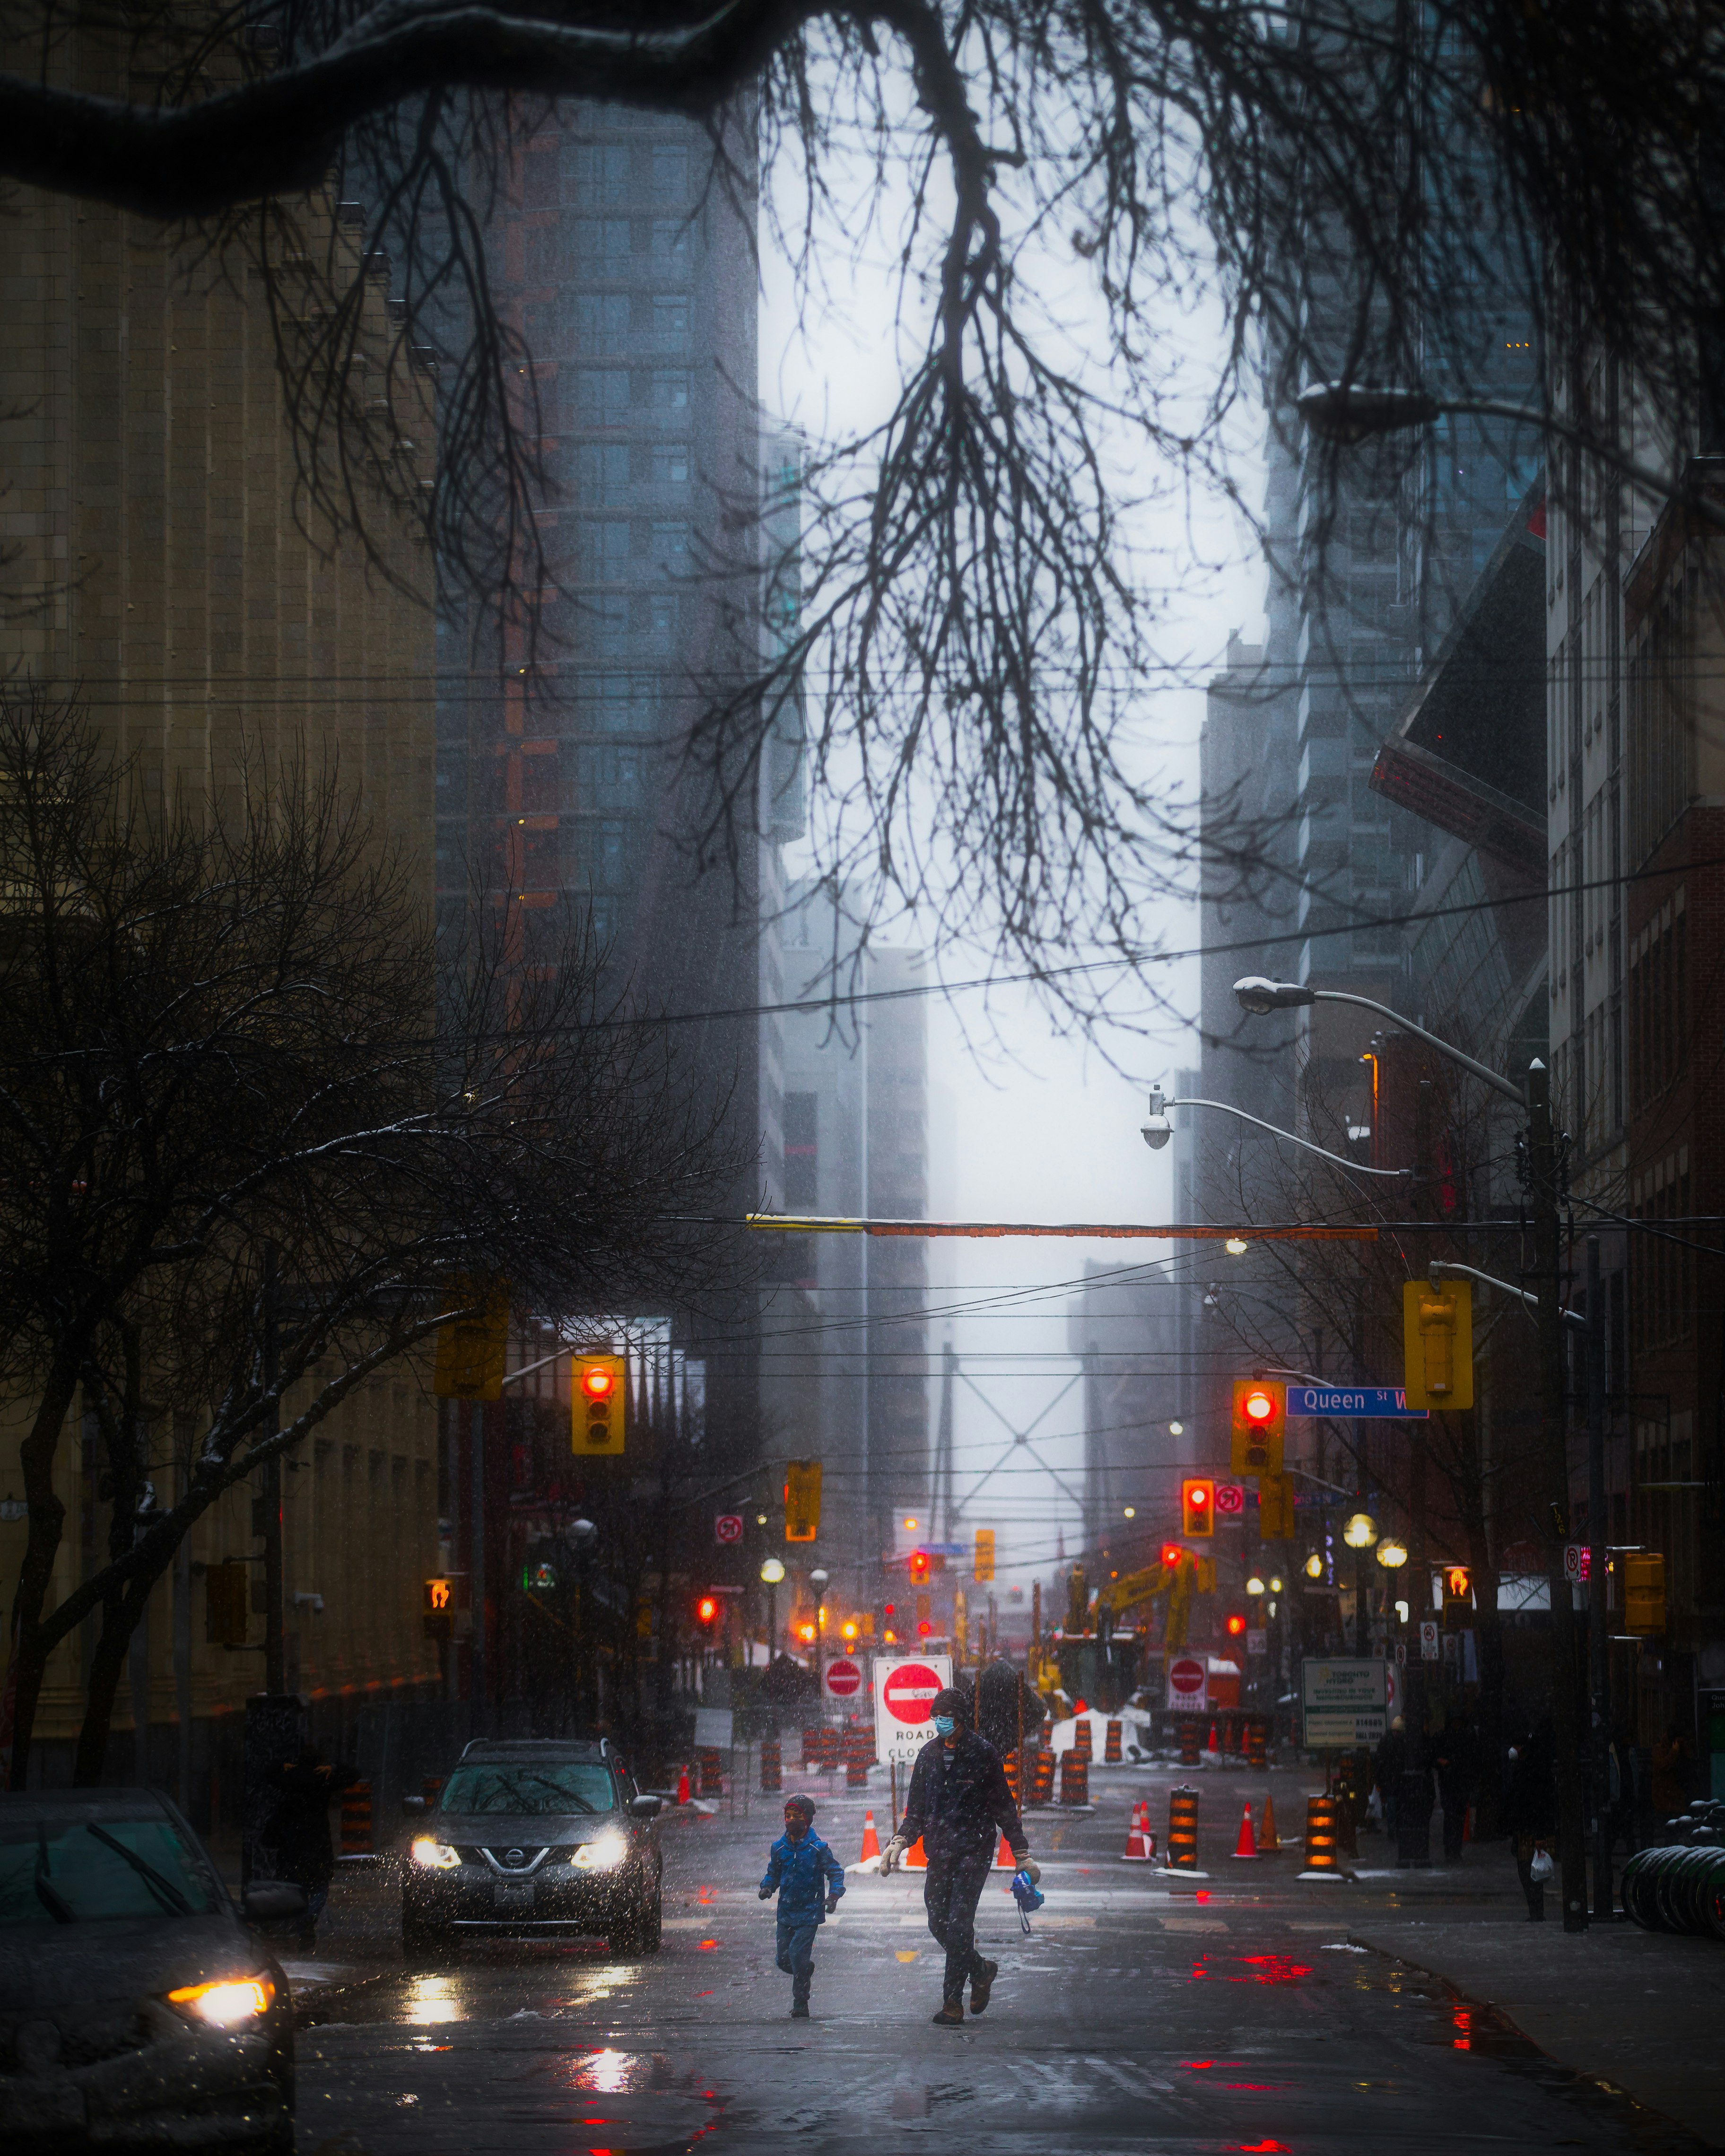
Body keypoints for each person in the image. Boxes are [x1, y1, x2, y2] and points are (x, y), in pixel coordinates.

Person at [879, 1685, 1039, 2026]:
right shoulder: (928, 1756)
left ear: (961, 1719)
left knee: (959, 1924)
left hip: (974, 1849)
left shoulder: (983, 1754)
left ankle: (952, 2002)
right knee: (937, 1921)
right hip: (939, 1850)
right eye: (936, 1717)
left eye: (946, 1718)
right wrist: (899, 1841)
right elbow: (917, 1810)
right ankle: (980, 1969)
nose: (940, 1723)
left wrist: (1021, 1852)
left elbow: (1003, 1806)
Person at [264, 1744, 361, 1951]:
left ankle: (304, 1928)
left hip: (293, 1842)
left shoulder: (290, 1779)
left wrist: (282, 1765)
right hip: (317, 1841)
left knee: (296, 1889)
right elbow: (354, 1775)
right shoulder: (323, 1779)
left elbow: (267, 1774)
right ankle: (311, 1918)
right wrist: (333, 1768)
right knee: (320, 1887)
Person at [758, 1793, 845, 2019]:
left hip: (809, 1913)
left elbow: (835, 1872)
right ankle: (805, 1970)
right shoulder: (779, 1848)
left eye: (796, 1816)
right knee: (783, 1959)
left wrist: (834, 1896)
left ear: (807, 1819)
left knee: (797, 1954)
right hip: (786, 1912)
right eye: (788, 1816)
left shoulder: (818, 1848)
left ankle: (800, 2003)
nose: (791, 1820)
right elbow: (773, 1873)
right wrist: (767, 1887)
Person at [1503, 1721, 1556, 1921]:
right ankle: (1536, 1911)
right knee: (1528, 1872)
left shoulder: (1533, 1768)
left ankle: (1536, 1912)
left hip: (1530, 1829)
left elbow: (1538, 1801)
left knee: (1529, 1873)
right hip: (1527, 1828)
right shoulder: (1527, 1766)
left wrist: (1539, 1834)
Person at [1433, 1715, 1477, 1864]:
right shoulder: (1464, 1738)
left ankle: (1453, 1849)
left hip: (1453, 1783)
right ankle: (1453, 1849)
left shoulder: (1449, 1738)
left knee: (1453, 1818)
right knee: (1455, 1818)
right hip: (1456, 1783)